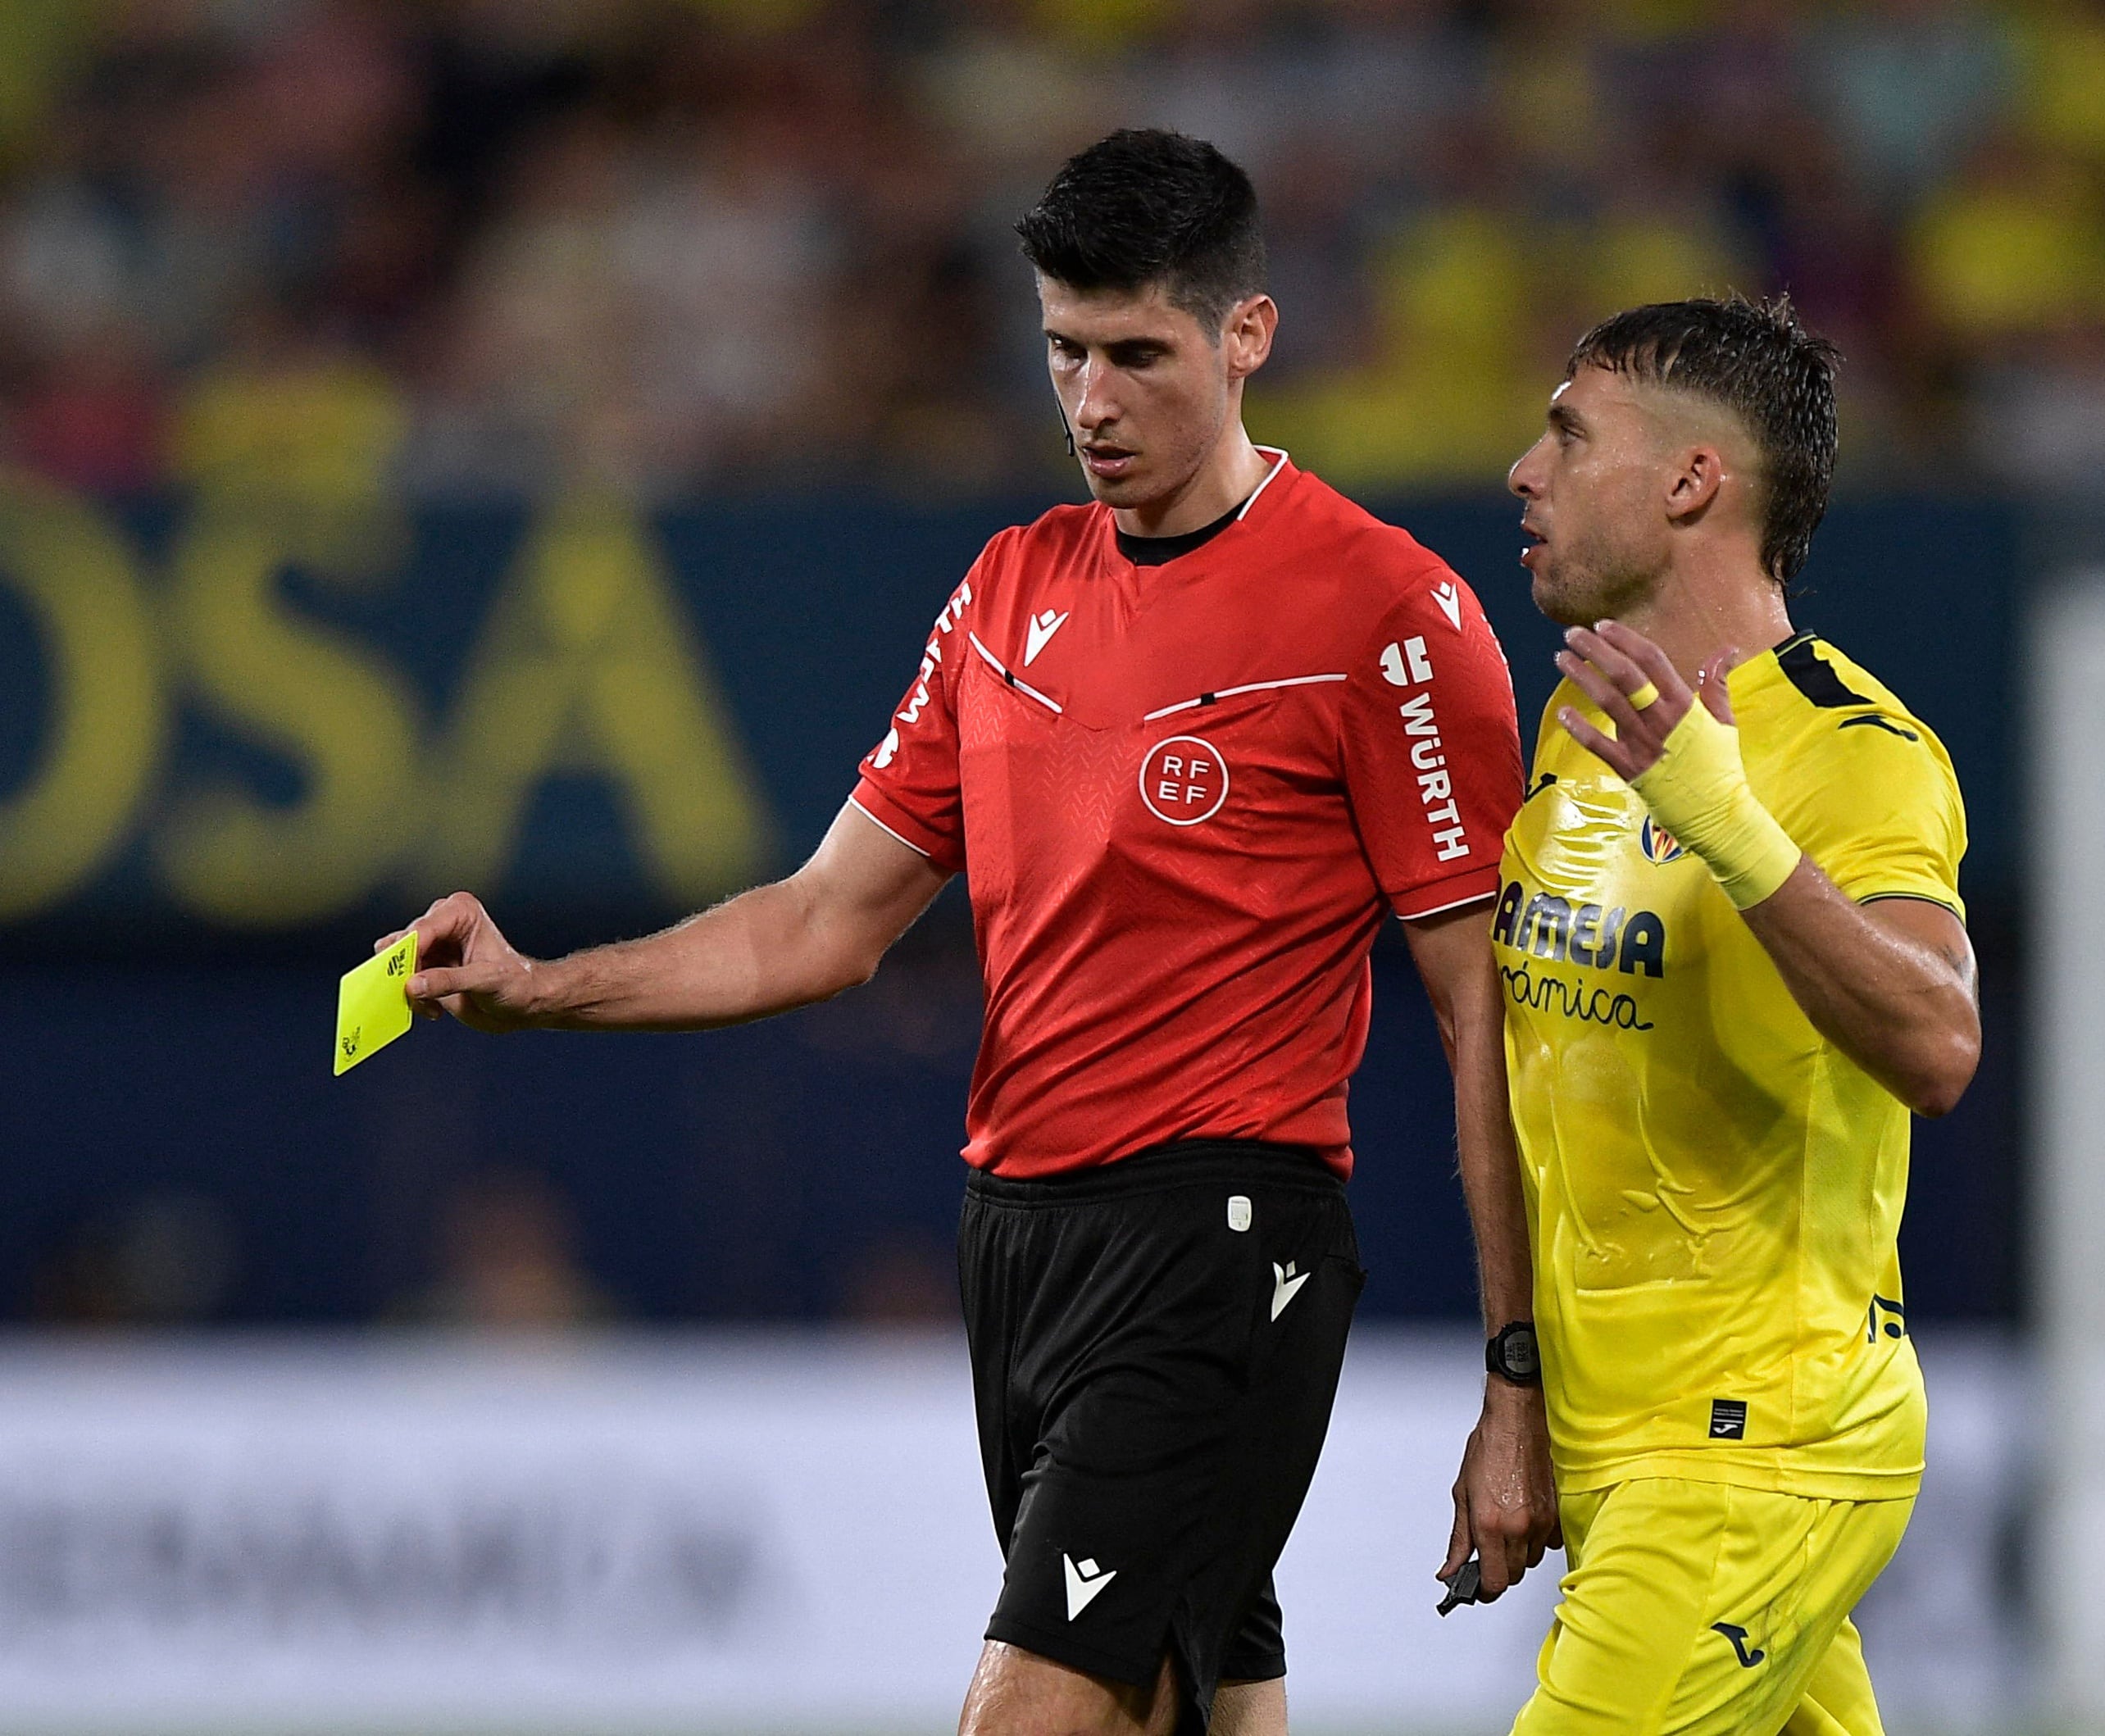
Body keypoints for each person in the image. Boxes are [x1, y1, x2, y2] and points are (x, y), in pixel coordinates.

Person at [382, 130, 1557, 1736]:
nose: (1090, 404)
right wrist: (543, 990)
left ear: (1247, 336)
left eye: (1138, 356)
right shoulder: (1009, 590)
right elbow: (821, 922)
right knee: (1198, 1705)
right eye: (1064, 352)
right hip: (1017, 1242)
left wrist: (1517, 1372)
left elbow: (1484, 1014)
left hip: (1222, 1239)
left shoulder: (1385, 613)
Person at [1490, 296, 1980, 1736]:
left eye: (1570, 435)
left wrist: (1725, 821)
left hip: (1753, 1447)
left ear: (1692, 484)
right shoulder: (1582, 726)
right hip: (1625, 1445)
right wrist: (1517, 1391)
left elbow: (1938, 1043)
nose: (1524, 469)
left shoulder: (1853, 750)